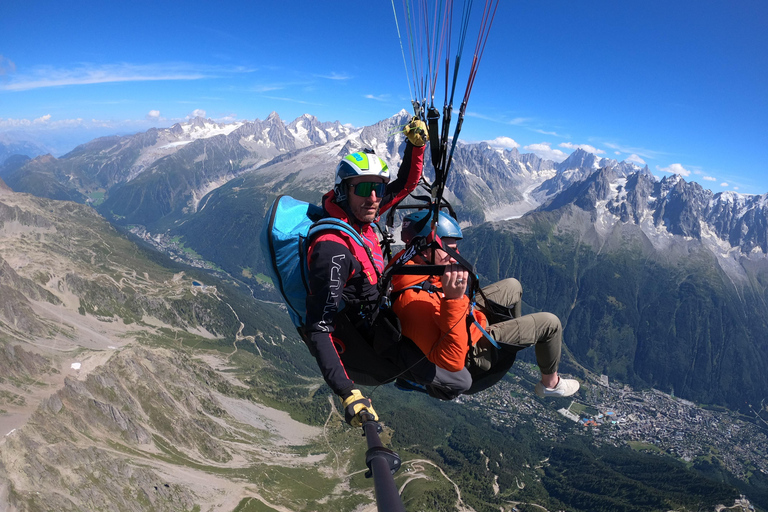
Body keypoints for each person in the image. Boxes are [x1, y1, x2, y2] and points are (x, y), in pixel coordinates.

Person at [304, 117, 461, 427]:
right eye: (364, 188)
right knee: (458, 383)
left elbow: (404, 185)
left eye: (378, 188)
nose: (375, 197)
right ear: (342, 190)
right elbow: (318, 327)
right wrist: (347, 391)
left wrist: (416, 147)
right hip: (376, 340)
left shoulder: (359, 213)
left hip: (387, 310)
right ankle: (410, 379)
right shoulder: (333, 248)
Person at [391, 210, 580, 398]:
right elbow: (451, 361)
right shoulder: (413, 304)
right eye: (448, 249)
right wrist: (454, 299)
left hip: (463, 321)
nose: (455, 254)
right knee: (550, 324)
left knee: (513, 286)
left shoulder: (411, 267)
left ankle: (510, 337)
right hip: (470, 354)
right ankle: (550, 384)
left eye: (455, 248)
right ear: (422, 248)